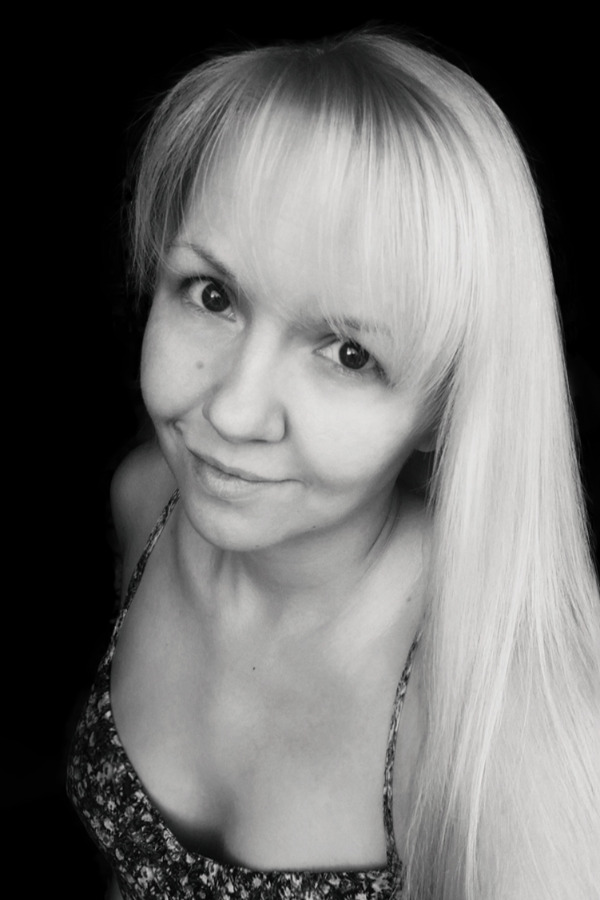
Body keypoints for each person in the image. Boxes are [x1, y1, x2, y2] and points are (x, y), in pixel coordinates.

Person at [66, 28, 600, 899]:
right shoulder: (149, 500)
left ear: (446, 407)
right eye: (212, 294)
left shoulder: (504, 719)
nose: (232, 411)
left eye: (349, 353)